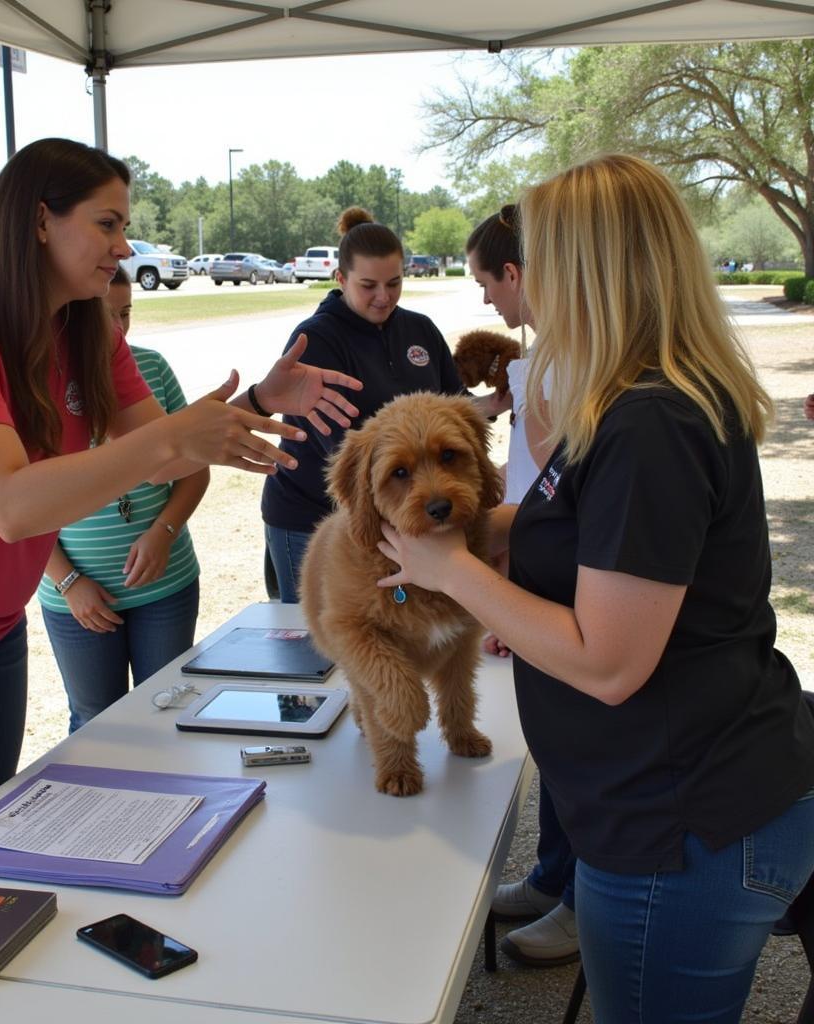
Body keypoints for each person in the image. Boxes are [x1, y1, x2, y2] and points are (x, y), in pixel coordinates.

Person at [0, 137, 362, 875]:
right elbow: (10, 505)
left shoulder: (83, 322)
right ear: (38, 222)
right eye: (107, 224)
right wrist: (170, 439)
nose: (123, 248)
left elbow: (161, 459)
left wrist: (248, 406)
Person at [377, 154, 814, 1023]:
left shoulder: (649, 421)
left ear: (584, 269)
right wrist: (470, 534)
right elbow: (583, 539)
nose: (522, 280)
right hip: (682, 795)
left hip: (681, 823)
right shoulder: (630, 400)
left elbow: (609, 662)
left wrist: (452, 570)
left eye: (534, 257)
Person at [466, 205, 576, 967]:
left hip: (563, 582)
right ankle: (554, 876)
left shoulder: (565, 366)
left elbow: (553, 496)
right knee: (552, 738)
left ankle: (579, 899)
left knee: (573, 745)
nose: (485, 302)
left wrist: (497, 580)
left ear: (517, 273)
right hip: (536, 565)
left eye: (486, 281)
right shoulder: (540, 361)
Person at [261, 206, 464, 603]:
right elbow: (342, 452)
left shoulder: (420, 329)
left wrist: (499, 401)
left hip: (396, 509)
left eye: (394, 282)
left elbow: (455, 406)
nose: (383, 297)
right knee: (319, 640)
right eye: (368, 285)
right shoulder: (315, 340)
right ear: (340, 278)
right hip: (310, 517)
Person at [38, 267, 207, 732]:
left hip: (165, 586)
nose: (118, 330)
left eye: (127, 313)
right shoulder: (38, 382)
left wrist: (163, 533)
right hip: (77, 597)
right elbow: (20, 504)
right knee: (96, 721)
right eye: (106, 316)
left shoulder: (151, 367)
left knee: (168, 712)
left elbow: (193, 472)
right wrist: (69, 582)